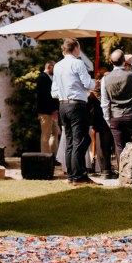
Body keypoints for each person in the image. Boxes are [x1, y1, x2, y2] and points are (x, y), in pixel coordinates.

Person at [51, 38, 97, 185]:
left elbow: (54, 92)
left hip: (63, 105)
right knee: (81, 140)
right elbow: (87, 83)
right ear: (76, 48)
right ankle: (79, 177)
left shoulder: (57, 66)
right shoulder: (78, 63)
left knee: (70, 141)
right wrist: (95, 83)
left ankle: (72, 176)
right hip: (77, 105)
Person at [100, 50, 132, 176]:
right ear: (124, 61)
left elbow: (105, 103)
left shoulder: (105, 79)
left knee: (120, 148)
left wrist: (108, 120)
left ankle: (125, 176)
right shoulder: (131, 75)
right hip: (131, 114)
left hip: (115, 117)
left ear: (111, 62)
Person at [35, 61, 60, 156]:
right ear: (49, 66)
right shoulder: (42, 78)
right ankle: (45, 156)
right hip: (45, 111)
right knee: (46, 135)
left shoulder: (51, 78)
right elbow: (45, 96)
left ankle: (54, 156)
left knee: (55, 133)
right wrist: (53, 109)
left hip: (53, 111)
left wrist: (56, 110)